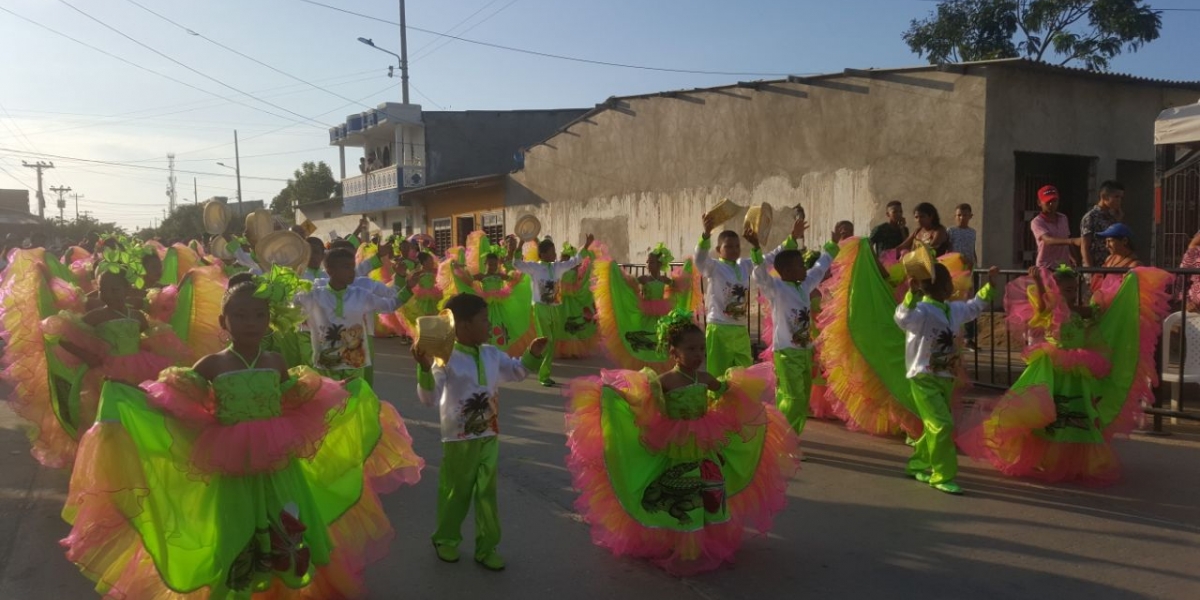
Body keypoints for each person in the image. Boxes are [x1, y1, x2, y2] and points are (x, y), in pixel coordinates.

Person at [60, 278, 423, 598]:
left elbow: (294, 399)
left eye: (258, 315)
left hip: (278, 465)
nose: (251, 323)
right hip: (231, 469)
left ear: (269, 320)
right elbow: (179, 404)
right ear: (224, 322)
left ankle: (282, 588)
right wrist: (133, 397)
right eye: (241, 316)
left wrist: (339, 391)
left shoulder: (275, 361)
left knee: (286, 525)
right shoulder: (212, 364)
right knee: (237, 533)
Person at [563, 309, 799, 575]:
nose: (698, 354)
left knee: (707, 488)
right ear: (673, 352)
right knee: (681, 492)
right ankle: (681, 540)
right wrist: (615, 398)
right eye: (691, 349)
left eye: (701, 348)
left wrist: (740, 392)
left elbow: (729, 393)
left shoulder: (705, 379)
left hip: (705, 441)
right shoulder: (664, 382)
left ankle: (703, 536)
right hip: (676, 444)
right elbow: (641, 403)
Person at [960, 265, 1171, 484]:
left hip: (1077, 370)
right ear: (1055, 290)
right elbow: (1043, 303)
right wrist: (1040, 283)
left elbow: (1109, 312)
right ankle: (1047, 458)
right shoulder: (1052, 309)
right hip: (1054, 368)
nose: (1070, 294)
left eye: (1073, 289)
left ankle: (1071, 460)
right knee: (1048, 412)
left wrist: (1127, 286)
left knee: (1077, 412)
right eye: (1066, 290)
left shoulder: (1080, 311)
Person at [414, 293, 548, 571]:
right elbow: (429, 399)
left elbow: (517, 371)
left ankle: (487, 546)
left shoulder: (491, 354)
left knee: (487, 493)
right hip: (458, 439)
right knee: (457, 491)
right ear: (462, 326)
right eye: (484, 320)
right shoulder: (445, 360)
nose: (489, 325)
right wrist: (424, 370)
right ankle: (446, 539)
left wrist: (532, 355)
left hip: (489, 435)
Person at [895, 263, 998, 495]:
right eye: (948, 282)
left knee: (935, 426)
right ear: (940, 287)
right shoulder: (921, 311)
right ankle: (941, 474)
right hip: (923, 377)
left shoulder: (952, 310)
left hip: (945, 377)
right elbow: (902, 317)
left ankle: (919, 463)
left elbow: (973, 308)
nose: (952, 285)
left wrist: (989, 287)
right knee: (942, 425)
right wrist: (911, 295)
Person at [748, 218, 831, 435]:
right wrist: (756, 250)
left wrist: (832, 247)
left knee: (801, 398)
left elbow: (820, 269)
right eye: (800, 265)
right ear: (786, 270)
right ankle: (785, 439)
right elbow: (759, 275)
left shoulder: (804, 286)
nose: (805, 268)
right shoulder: (775, 288)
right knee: (793, 398)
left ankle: (787, 437)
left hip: (804, 351)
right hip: (786, 353)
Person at [293, 247, 407, 382]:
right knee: (330, 401)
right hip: (326, 363)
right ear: (329, 270)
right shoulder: (315, 294)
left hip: (354, 362)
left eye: (352, 266)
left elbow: (390, 305)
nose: (352, 271)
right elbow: (290, 301)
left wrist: (406, 285)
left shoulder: (361, 294)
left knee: (355, 399)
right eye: (346, 267)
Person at [593, 242, 699, 371]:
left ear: (660, 264)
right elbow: (629, 285)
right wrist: (616, 274)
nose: (648, 265)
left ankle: (659, 361)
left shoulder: (664, 280)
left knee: (659, 335)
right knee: (645, 333)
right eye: (647, 262)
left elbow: (678, 287)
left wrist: (686, 272)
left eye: (652, 262)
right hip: (646, 312)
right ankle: (645, 361)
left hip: (661, 313)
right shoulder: (644, 279)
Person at [507, 233, 595, 386]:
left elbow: (575, 260)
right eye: (552, 252)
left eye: (555, 251)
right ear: (542, 254)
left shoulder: (558, 267)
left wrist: (586, 245)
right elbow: (516, 263)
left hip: (555, 308)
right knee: (546, 340)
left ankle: (540, 368)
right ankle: (542, 374)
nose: (555, 254)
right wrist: (520, 244)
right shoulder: (535, 267)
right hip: (541, 308)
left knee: (552, 342)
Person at [695, 213, 754, 375]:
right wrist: (706, 235)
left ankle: (739, 401)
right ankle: (717, 400)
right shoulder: (713, 267)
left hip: (740, 330)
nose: (734, 250)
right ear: (718, 250)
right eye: (728, 246)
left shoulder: (744, 266)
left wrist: (791, 240)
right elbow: (699, 259)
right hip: (719, 328)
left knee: (744, 375)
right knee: (719, 375)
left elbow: (768, 259)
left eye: (737, 246)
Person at [1030, 185, 1079, 269]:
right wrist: (1072, 241)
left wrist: (1074, 258)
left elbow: (1066, 239)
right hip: (1046, 267)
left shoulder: (1063, 218)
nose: (1051, 204)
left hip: (1063, 266)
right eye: (1048, 201)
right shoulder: (1037, 222)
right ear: (1039, 202)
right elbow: (1047, 240)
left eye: (1054, 201)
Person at [1080, 180, 1125, 268]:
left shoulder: (1112, 217)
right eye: (1116, 197)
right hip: (1095, 267)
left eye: (1121, 198)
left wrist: (1118, 221)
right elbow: (1085, 247)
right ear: (1104, 197)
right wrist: (1091, 271)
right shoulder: (1091, 217)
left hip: (1110, 266)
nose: (1119, 201)